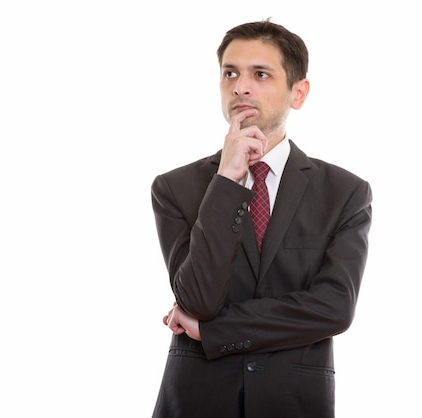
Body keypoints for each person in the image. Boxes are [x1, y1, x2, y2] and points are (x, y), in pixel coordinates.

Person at [150, 19, 372, 418]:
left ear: (298, 92)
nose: (240, 87)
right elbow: (197, 298)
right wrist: (227, 182)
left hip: (293, 401)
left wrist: (215, 330)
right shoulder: (174, 187)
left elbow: (334, 307)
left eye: (260, 74)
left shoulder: (345, 192)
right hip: (197, 401)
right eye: (230, 73)